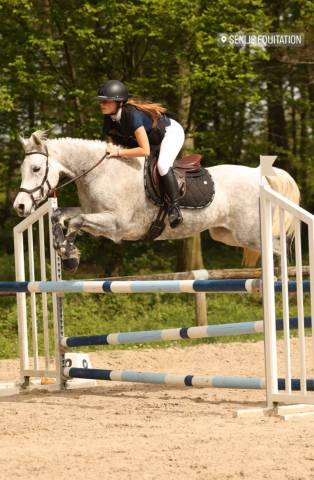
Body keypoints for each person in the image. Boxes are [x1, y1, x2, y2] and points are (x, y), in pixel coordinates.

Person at [96, 79, 185, 228]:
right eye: (101, 101)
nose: (102, 104)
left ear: (119, 102)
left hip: (170, 133)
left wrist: (118, 152)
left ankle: (175, 208)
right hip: (152, 140)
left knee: (163, 165)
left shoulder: (132, 115)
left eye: (107, 101)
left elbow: (144, 150)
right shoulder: (109, 118)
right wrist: (112, 148)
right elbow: (112, 141)